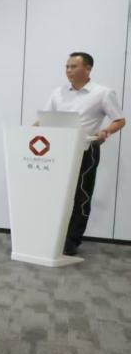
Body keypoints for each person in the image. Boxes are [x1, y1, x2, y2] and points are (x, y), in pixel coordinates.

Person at [40, 52, 125, 257]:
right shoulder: (59, 92)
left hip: (86, 150)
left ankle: (71, 241)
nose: (68, 70)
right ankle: (51, 235)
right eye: (67, 66)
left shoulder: (102, 93)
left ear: (87, 68)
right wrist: (27, 132)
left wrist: (105, 131)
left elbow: (120, 120)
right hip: (58, 150)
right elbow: (45, 119)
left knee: (81, 197)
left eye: (73, 66)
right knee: (56, 194)